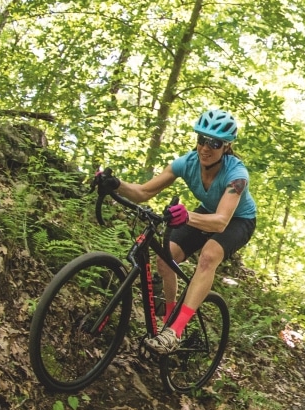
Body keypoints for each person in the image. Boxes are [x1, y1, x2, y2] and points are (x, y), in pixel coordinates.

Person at [94, 108, 256, 354]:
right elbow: (144, 192)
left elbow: (221, 222)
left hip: (239, 219)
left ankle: (175, 332)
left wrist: (187, 215)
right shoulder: (186, 163)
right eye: (202, 139)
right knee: (165, 258)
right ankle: (168, 320)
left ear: (226, 147)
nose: (205, 147)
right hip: (206, 212)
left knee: (209, 256)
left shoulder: (237, 175)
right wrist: (116, 184)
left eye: (214, 142)